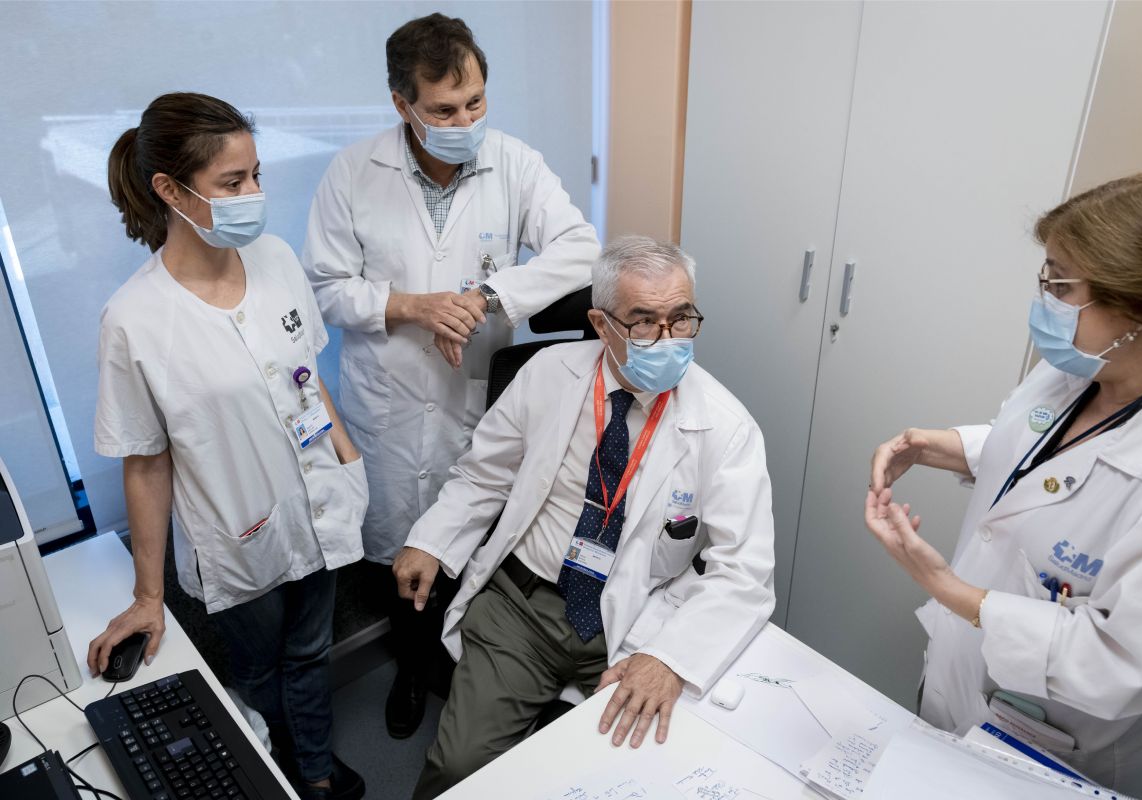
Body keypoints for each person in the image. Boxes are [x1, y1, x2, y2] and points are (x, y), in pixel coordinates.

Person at [302, 12, 600, 738]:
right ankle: (411, 672)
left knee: (478, 547)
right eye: (442, 109)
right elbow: (324, 287)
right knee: (402, 560)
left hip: (478, 401)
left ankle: (470, 673)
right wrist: (409, 306)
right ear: (402, 103)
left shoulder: (515, 164)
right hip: (392, 403)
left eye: (475, 103)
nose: (464, 121)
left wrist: (487, 299)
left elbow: (579, 247)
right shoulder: (353, 173)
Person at [392, 236, 776, 799]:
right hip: (522, 609)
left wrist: (668, 657)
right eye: (643, 321)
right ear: (601, 323)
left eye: (681, 318)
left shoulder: (726, 426)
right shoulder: (548, 373)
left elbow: (744, 571)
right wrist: (433, 539)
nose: (667, 338)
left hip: (637, 617)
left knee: (625, 784)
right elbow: (484, 474)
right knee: (458, 770)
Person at [865, 170, 1142, 799]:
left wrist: (944, 585)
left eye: (1061, 282)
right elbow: (1039, 454)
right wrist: (940, 445)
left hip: (1069, 748)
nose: (1044, 296)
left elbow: (1117, 664)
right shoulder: (1079, 372)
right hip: (965, 679)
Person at [87, 92, 368, 800]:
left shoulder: (273, 257)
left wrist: (348, 459)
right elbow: (145, 462)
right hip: (237, 536)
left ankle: (318, 769)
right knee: (259, 668)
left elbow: (307, 370)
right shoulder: (134, 320)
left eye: (257, 176)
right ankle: (276, 767)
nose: (254, 195)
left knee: (311, 651)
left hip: (320, 500)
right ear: (170, 190)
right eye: (232, 183)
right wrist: (147, 596)